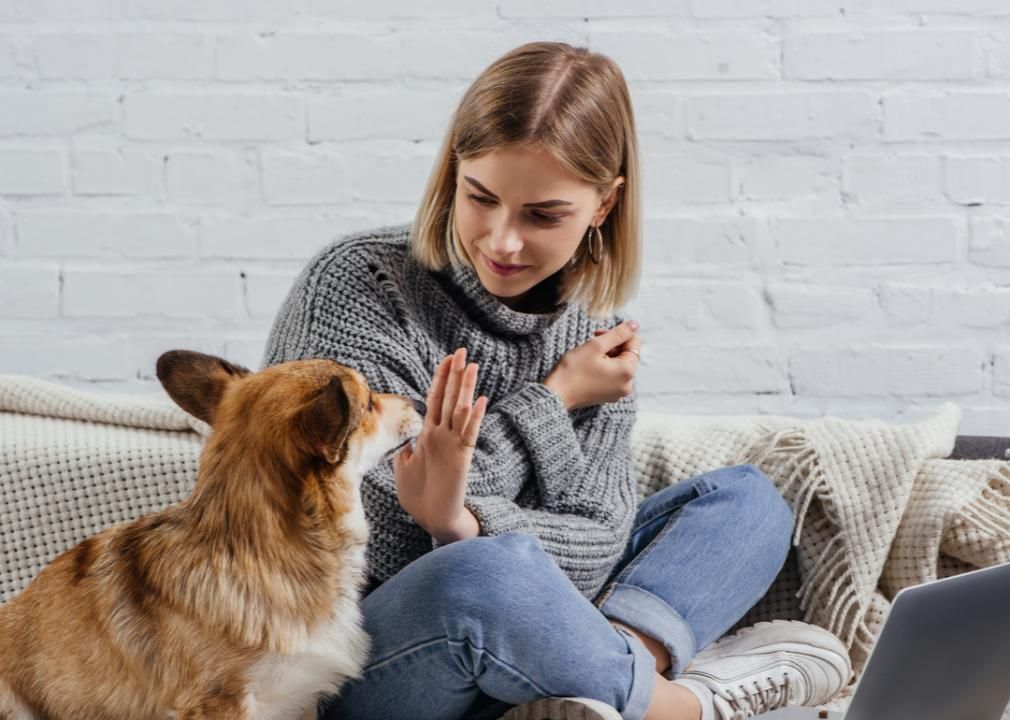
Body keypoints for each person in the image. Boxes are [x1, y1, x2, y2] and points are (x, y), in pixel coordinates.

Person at [262, 41, 851, 720]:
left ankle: (589, 682)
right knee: (482, 576)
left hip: (523, 627)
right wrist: (553, 400)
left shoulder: (595, 334)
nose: (502, 241)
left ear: (604, 205)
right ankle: (674, 707)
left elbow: (597, 542)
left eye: (543, 215)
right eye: (479, 197)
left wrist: (462, 516)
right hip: (354, 655)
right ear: (453, 171)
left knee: (748, 504)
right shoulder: (362, 287)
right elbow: (354, 530)